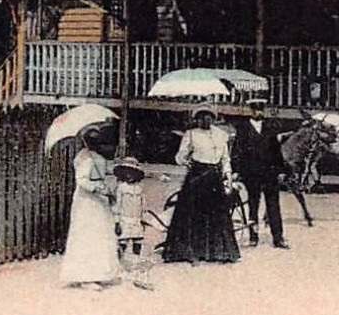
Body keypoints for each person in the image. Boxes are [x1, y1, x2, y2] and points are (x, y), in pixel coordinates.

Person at [162, 106, 241, 264]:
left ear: (213, 118)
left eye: (208, 117)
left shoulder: (221, 135)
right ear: (196, 119)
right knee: (192, 214)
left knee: (217, 214)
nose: (205, 120)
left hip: (214, 177)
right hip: (197, 176)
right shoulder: (191, 135)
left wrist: (228, 178)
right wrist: (185, 160)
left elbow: (225, 159)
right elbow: (179, 156)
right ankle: (190, 252)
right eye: (201, 117)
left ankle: (218, 252)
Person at [59, 127, 120, 288]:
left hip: (99, 201)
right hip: (87, 202)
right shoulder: (84, 158)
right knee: (87, 235)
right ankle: (85, 276)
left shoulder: (97, 156)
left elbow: (105, 171)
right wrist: (98, 188)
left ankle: (99, 273)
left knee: (100, 234)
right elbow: (82, 181)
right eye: (93, 140)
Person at [232, 98, 289, 248]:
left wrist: (281, 170)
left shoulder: (270, 127)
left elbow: (277, 152)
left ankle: (278, 238)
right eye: (256, 109)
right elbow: (237, 151)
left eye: (261, 109)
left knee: (273, 206)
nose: (259, 112)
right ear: (250, 110)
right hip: (251, 174)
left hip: (269, 174)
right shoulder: (243, 129)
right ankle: (253, 236)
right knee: (253, 205)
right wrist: (236, 170)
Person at [112, 157, 153, 290]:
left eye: (132, 173)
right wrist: (117, 221)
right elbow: (117, 205)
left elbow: (143, 204)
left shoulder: (139, 188)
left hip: (136, 219)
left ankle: (135, 265)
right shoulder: (121, 188)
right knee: (122, 242)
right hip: (124, 218)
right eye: (126, 173)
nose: (129, 176)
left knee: (137, 241)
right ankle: (117, 266)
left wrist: (143, 217)